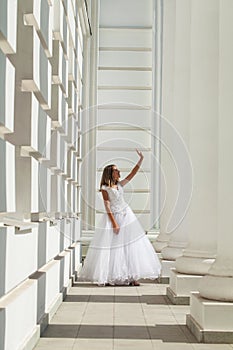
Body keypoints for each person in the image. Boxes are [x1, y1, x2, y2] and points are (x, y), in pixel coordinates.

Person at [79, 150, 161, 286]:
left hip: (127, 216)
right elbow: (107, 206)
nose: (119, 172)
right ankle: (109, 275)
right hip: (114, 217)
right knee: (113, 247)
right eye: (116, 171)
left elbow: (133, 173)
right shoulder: (105, 188)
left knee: (130, 246)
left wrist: (141, 159)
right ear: (110, 173)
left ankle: (132, 277)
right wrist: (114, 223)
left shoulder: (120, 185)